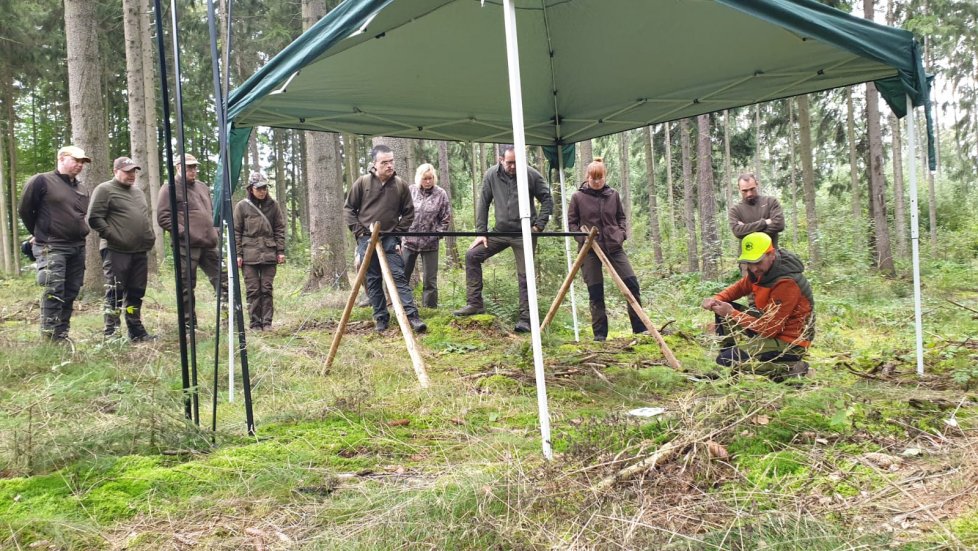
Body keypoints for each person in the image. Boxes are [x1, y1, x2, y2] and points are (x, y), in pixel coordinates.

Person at [454, 145, 554, 333]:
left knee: (525, 274)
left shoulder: (531, 174)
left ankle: (525, 319)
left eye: (516, 162)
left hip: (524, 233)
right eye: (509, 163)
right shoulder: (491, 175)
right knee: (472, 255)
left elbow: (547, 200)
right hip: (499, 232)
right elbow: (483, 203)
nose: (513, 166)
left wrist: (538, 226)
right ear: (501, 160)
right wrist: (481, 232)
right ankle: (475, 303)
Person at [701, 232, 814, 381]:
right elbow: (737, 289)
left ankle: (792, 368)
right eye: (749, 263)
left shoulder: (786, 282)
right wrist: (715, 300)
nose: (753, 268)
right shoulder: (760, 272)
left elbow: (770, 329)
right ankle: (728, 357)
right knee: (721, 308)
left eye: (758, 262)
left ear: (771, 254)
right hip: (767, 326)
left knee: (726, 360)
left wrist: (732, 313)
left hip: (790, 342)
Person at [343, 144, 427, 334]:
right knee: (373, 279)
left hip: (390, 239)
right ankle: (381, 318)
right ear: (375, 163)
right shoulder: (362, 183)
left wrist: (397, 234)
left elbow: (409, 212)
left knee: (398, 276)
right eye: (384, 162)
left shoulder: (400, 185)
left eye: (391, 161)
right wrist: (359, 231)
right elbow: (349, 209)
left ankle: (412, 316)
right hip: (366, 238)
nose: (389, 165)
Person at [567, 158, 646, 341]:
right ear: (587, 177)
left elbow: (621, 217)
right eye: (593, 178)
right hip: (589, 250)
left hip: (613, 246)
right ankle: (600, 334)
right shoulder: (578, 197)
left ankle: (640, 329)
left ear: (605, 176)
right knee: (595, 291)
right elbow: (572, 224)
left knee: (632, 284)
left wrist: (621, 234)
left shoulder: (613, 195)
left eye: (600, 178)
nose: (596, 181)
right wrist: (583, 239)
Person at [18, 145, 92, 341]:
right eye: (75, 160)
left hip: (77, 247)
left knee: (71, 291)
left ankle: (62, 334)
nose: (80, 165)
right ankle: (50, 337)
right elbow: (25, 210)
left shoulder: (82, 188)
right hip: (52, 246)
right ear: (61, 158)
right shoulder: (41, 180)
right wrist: (38, 233)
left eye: (82, 162)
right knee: (54, 288)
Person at [86, 156, 157, 341]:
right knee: (115, 291)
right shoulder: (105, 189)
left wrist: (150, 236)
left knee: (136, 292)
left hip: (139, 250)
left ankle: (136, 331)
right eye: (127, 171)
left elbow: (142, 217)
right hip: (116, 250)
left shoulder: (138, 192)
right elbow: (94, 218)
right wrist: (114, 236)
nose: (131, 175)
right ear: (115, 171)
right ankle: (112, 333)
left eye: (133, 171)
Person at [157, 153, 228, 328]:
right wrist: (184, 233)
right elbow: (164, 217)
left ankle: (228, 319)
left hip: (209, 243)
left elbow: (212, 211)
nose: (193, 170)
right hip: (186, 246)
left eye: (194, 167)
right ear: (178, 167)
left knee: (223, 280)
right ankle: (189, 326)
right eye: (189, 167)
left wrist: (216, 230)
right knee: (186, 286)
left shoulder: (202, 187)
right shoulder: (169, 188)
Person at [233, 172, 286, 330]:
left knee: (266, 289)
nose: (262, 191)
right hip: (249, 255)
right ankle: (255, 323)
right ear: (251, 189)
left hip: (269, 253)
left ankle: (267, 323)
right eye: (259, 188)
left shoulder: (274, 205)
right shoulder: (241, 206)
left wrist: (280, 251)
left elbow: (279, 229)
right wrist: (238, 254)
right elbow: (236, 232)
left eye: (264, 188)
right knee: (253, 290)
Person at [402, 163, 451, 308]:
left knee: (430, 279)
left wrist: (437, 234)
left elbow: (446, 218)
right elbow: (401, 213)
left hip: (430, 243)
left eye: (430, 178)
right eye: (425, 178)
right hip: (409, 241)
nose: (428, 181)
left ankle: (430, 309)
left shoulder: (441, 193)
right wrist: (402, 233)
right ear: (419, 178)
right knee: (402, 275)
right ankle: (402, 306)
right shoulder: (410, 190)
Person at [729, 173, 784, 248]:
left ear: (757, 184)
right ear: (739, 189)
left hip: (770, 253)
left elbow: (779, 225)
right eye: (745, 191)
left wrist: (746, 230)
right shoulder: (735, 210)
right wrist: (764, 222)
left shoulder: (771, 202)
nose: (749, 194)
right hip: (747, 254)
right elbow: (737, 232)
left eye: (752, 189)